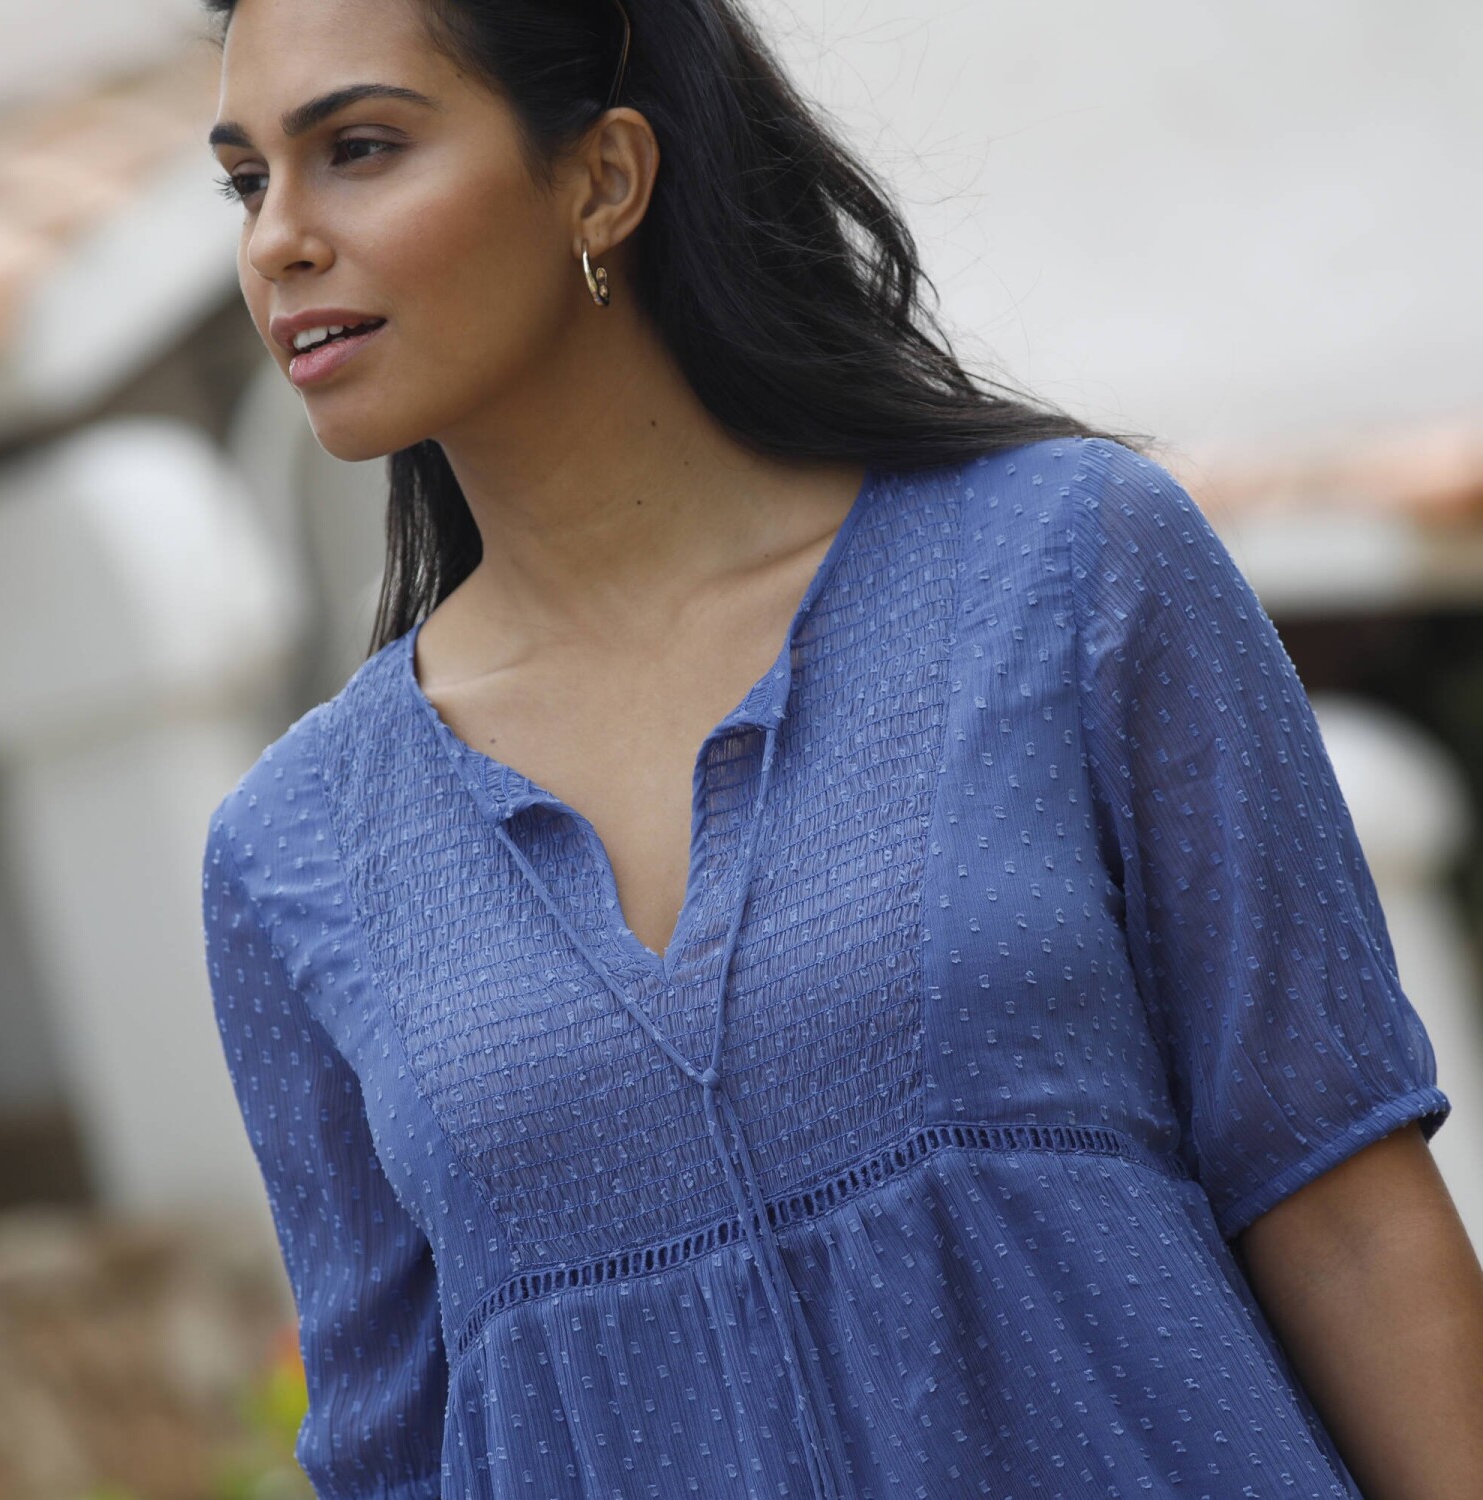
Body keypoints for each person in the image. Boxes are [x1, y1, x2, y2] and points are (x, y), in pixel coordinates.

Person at [198, 1, 1483, 1496]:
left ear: (603, 178)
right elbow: (392, 1454)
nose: (278, 240)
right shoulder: (295, 853)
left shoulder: (1068, 571)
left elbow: (1346, 1212)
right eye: (246, 182)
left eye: (359, 149)